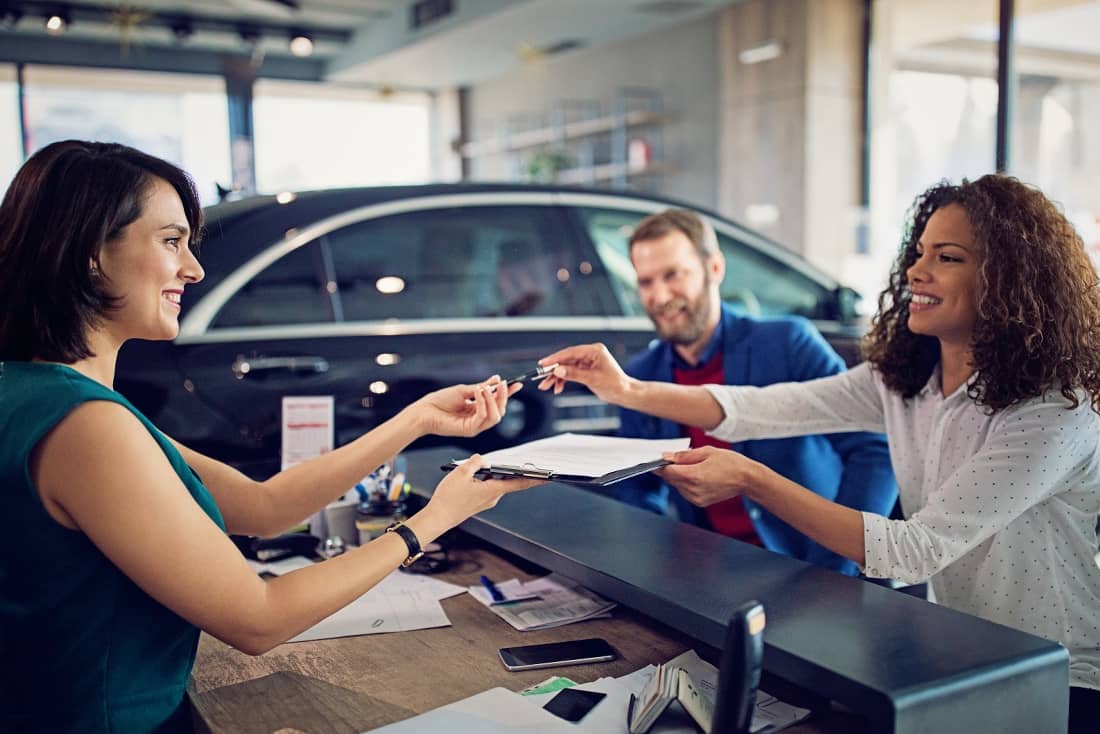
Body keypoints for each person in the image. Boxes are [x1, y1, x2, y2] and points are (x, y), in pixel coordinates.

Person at [0, 140, 540, 733]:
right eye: (171, 241)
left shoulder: (45, 394)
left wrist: (416, 420)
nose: (194, 269)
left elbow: (262, 507)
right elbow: (257, 619)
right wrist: (432, 522)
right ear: (90, 253)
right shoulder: (88, 426)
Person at [539, 174, 1100, 732]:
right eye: (919, 251)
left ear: (1008, 280)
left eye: (947, 257)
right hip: (964, 656)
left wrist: (754, 481)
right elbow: (763, 408)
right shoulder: (906, 381)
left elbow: (915, 551)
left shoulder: (1055, 411)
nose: (916, 271)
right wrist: (627, 390)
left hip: (1061, 679)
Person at [612, 208, 896, 576]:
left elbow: (874, 451)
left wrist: (839, 567)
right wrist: (658, 566)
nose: (660, 295)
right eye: (646, 282)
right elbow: (638, 490)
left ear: (714, 269)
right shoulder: (640, 378)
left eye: (672, 275)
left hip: (811, 564)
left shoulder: (788, 343)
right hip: (712, 573)